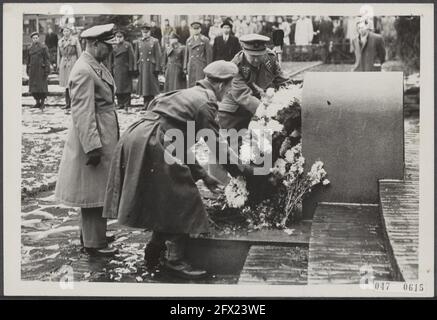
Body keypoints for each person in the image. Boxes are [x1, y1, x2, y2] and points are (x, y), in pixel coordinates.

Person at [103, 60, 253, 279]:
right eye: (230, 87)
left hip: (140, 137)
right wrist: (244, 171)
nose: (229, 92)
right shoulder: (205, 104)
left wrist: (202, 174)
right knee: (183, 196)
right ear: (221, 85)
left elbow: (178, 141)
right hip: (153, 141)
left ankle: (154, 248)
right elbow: (216, 146)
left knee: (166, 195)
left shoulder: (190, 93)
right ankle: (174, 259)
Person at [55, 23, 119, 257]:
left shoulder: (94, 65)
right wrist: (92, 147)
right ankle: (94, 243)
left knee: (97, 189)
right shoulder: (83, 69)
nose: (110, 51)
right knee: (93, 193)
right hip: (93, 137)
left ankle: (94, 236)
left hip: (102, 132)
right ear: (94, 44)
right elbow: (82, 112)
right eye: (106, 46)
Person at [218, 34, 289, 132]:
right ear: (244, 51)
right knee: (234, 145)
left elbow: (283, 81)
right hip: (233, 112)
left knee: (261, 142)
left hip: (256, 107)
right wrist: (271, 111)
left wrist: (291, 99)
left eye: (259, 56)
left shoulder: (270, 58)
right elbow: (243, 96)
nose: (256, 60)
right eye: (252, 56)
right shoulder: (235, 66)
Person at [135, 23, 162, 109]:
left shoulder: (154, 41)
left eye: (147, 32)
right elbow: (136, 55)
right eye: (143, 32)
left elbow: (158, 55)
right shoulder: (139, 42)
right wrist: (136, 67)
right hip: (142, 66)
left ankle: (151, 103)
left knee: (151, 85)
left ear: (149, 32)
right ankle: (145, 102)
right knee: (144, 85)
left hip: (151, 66)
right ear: (141, 32)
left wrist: (158, 67)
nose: (145, 34)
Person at [108, 29, 135, 111]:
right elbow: (110, 59)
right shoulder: (113, 46)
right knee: (118, 87)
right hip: (116, 69)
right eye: (117, 37)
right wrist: (110, 69)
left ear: (123, 37)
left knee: (126, 87)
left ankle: (127, 103)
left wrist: (131, 68)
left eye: (120, 37)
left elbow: (131, 57)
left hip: (125, 69)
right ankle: (120, 103)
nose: (119, 39)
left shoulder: (127, 45)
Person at [57, 26, 82, 113]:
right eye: (64, 31)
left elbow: (79, 51)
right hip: (64, 62)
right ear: (62, 32)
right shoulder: (60, 41)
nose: (66, 33)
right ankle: (67, 103)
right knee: (66, 84)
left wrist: (80, 62)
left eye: (67, 31)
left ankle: (74, 103)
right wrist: (58, 64)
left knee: (73, 82)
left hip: (73, 61)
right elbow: (58, 54)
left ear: (70, 32)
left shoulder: (74, 40)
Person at [184, 21, 212, 88]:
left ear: (200, 29)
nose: (195, 31)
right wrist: (185, 67)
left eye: (197, 29)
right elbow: (186, 55)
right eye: (194, 29)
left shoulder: (205, 40)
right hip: (191, 64)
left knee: (200, 83)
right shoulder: (189, 40)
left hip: (201, 64)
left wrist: (208, 67)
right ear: (191, 30)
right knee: (191, 83)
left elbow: (209, 55)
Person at [26, 32, 50, 110]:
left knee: (42, 87)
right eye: (33, 38)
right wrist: (27, 69)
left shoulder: (43, 47)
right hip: (33, 70)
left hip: (41, 70)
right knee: (34, 87)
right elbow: (28, 60)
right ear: (32, 39)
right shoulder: (30, 48)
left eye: (36, 38)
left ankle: (42, 103)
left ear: (38, 38)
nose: (35, 39)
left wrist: (47, 69)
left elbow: (47, 59)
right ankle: (37, 102)